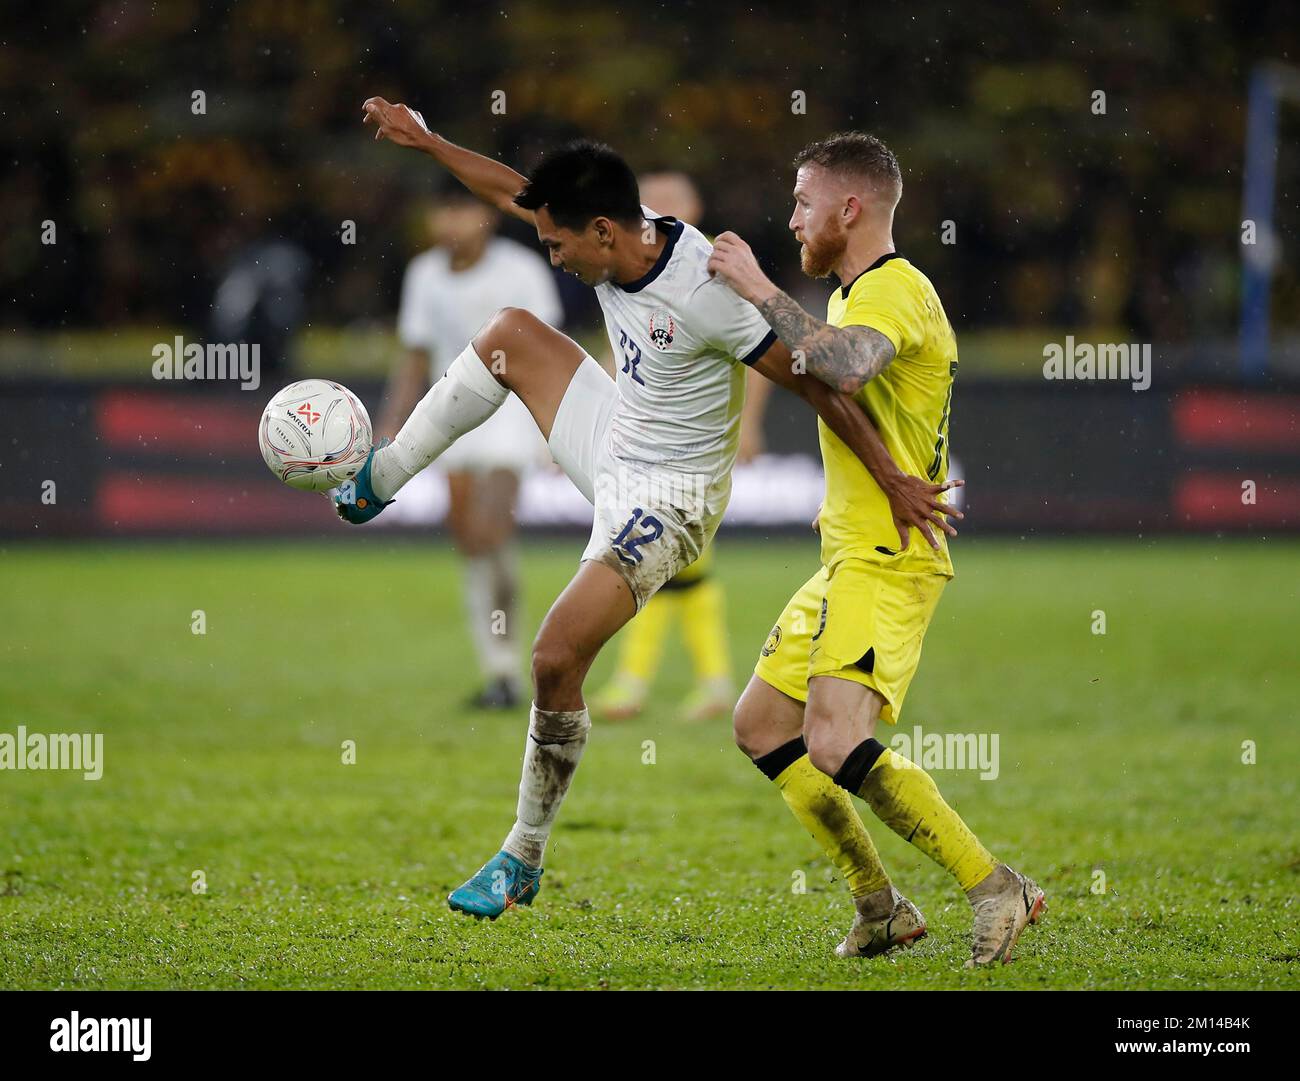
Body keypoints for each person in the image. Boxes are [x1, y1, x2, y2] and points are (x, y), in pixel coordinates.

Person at [341, 98, 958, 920]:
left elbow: (817, 383)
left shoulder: (706, 290)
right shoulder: (615, 232)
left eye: (560, 244)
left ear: (604, 233)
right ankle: (382, 475)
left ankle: (521, 853)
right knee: (512, 331)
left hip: (669, 499)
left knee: (555, 656)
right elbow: (512, 192)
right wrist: (428, 141)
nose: (551, 255)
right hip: (611, 436)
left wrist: (891, 475)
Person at [707, 131, 1045, 966]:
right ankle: (880, 905)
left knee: (831, 739)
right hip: (851, 554)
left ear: (848, 208)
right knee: (760, 725)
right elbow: (834, 384)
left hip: (888, 558)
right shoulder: (858, 295)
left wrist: (755, 287)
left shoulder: (894, 292)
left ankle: (994, 883)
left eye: (802, 202)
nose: (792, 220)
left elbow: (848, 368)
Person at [381, 191, 563, 709]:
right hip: (450, 415)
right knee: (472, 540)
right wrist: (394, 423)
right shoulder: (423, 274)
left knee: (488, 526)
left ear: (485, 218)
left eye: (461, 210)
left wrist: (551, 424)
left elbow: (550, 346)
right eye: (442, 210)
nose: (451, 222)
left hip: (509, 413)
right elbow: (414, 354)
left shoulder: (522, 269)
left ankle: (509, 665)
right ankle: (500, 673)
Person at [591, 171, 760, 723]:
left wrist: (750, 426)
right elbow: (624, 359)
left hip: (690, 452)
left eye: (669, 203)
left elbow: (759, 356)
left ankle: (637, 684)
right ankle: (707, 683)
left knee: (655, 563)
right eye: (649, 203)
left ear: (694, 207)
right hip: (643, 450)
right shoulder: (632, 278)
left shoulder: (709, 277)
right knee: (679, 571)